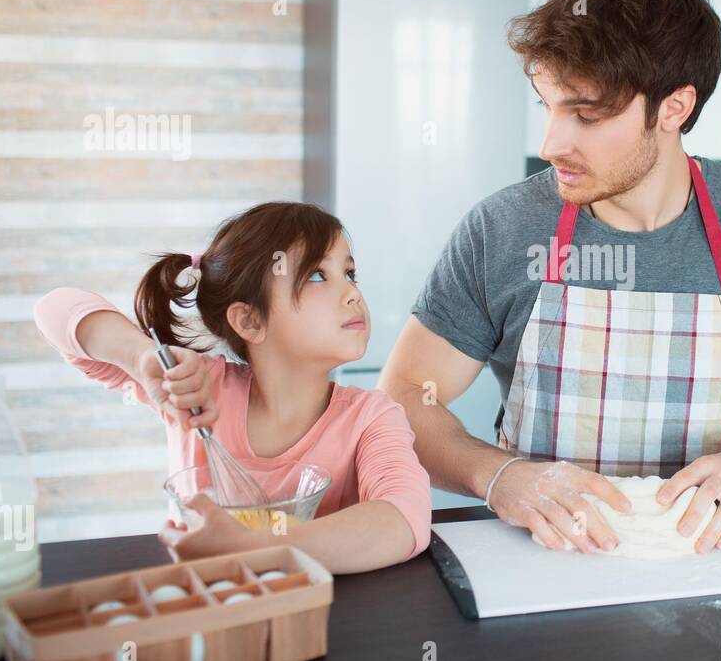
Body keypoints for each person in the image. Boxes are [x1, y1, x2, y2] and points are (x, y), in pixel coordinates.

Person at [379, 0, 721, 554]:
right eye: (548, 107)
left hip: (708, 560)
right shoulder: (502, 229)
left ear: (673, 108)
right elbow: (403, 393)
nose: (551, 145)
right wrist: (497, 474)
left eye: (586, 115)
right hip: (540, 559)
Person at [33, 202, 431, 573]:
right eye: (315, 275)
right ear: (250, 322)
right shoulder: (197, 390)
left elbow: (404, 519)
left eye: (349, 273)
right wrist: (142, 358)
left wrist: (253, 546)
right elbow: (53, 309)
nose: (352, 294)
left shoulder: (372, 418)